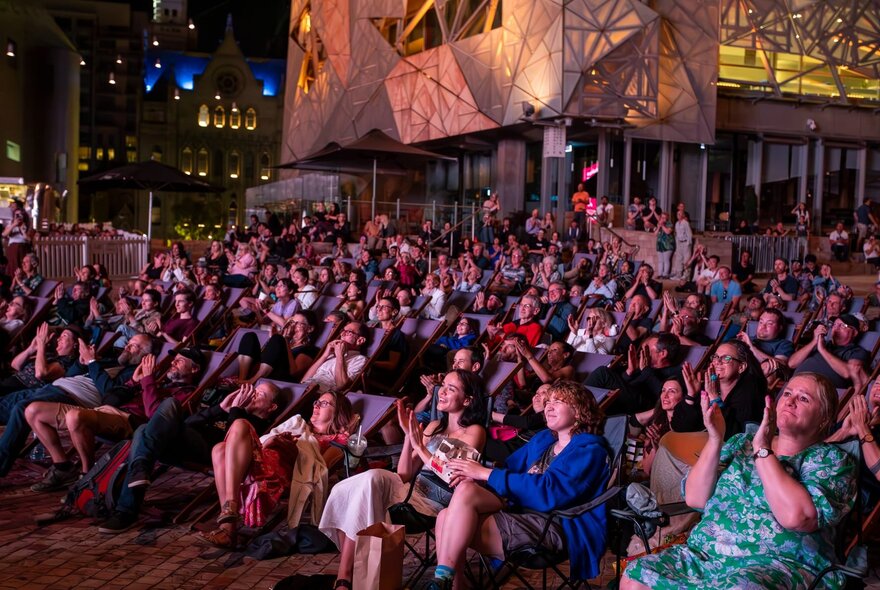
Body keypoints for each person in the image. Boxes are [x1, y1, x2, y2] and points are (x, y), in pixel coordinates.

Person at [622, 373, 856, 590]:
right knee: (636, 576)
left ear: (824, 416)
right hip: (706, 554)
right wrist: (715, 438)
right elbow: (695, 498)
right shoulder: (740, 443)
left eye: (803, 398)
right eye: (787, 393)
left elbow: (797, 518)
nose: (790, 401)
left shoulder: (831, 461)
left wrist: (762, 451)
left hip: (776, 565)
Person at [423, 381, 610, 590]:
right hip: (520, 513)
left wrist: (486, 473)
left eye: (558, 402)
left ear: (579, 412)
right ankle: (451, 582)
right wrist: (475, 477)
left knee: (450, 525)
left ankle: (446, 581)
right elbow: (509, 468)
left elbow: (549, 491)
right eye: (549, 401)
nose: (548, 406)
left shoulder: (590, 451)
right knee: (446, 514)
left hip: (553, 526)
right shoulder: (543, 440)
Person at [319, 370, 487, 590]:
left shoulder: (474, 432)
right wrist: (408, 436)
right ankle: (345, 576)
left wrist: (420, 446)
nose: (442, 392)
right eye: (443, 386)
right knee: (350, 488)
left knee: (368, 481)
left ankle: (345, 578)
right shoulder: (434, 426)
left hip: (435, 503)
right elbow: (404, 474)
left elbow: (452, 475)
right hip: (408, 490)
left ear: (467, 400)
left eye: (451, 389)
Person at [97, 381, 290, 533]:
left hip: (213, 455)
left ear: (271, 407)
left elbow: (232, 440)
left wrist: (235, 410)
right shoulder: (232, 411)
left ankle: (128, 505)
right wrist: (220, 408)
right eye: (253, 390)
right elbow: (189, 424)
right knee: (146, 428)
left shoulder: (256, 425)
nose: (252, 395)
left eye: (259, 394)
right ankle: (133, 489)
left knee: (149, 426)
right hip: (187, 445)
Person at [26, 348, 204, 491]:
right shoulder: (160, 384)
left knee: (75, 417)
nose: (172, 363)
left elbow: (155, 417)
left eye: (179, 361)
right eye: (173, 359)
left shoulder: (186, 394)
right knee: (33, 411)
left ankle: (88, 475)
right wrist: (134, 382)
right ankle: (63, 467)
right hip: (105, 410)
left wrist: (148, 381)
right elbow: (110, 399)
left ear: (194, 369)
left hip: (129, 421)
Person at [199, 391, 355, 548]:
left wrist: (295, 448)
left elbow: (320, 467)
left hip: (281, 474)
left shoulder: (338, 440)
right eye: (317, 401)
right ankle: (228, 526)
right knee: (219, 448)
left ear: (338, 412)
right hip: (260, 462)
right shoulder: (298, 425)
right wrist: (274, 441)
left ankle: (228, 517)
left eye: (324, 403)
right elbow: (265, 445)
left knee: (239, 424)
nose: (316, 405)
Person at [672, 341, 766, 440]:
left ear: (741, 367)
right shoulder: (707, 388)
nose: (717, 361)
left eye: (726, 358)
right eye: (716, 357)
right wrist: (691, 396)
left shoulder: (750, 396)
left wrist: (715, 398)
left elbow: (733, 439)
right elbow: (678, 427)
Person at [789, 314, 869, 390]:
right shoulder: (820, 343)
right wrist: (815, 341)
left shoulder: (856, 351)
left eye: (842, 325)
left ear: (854, 332)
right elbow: (792, 363)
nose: (836, 328)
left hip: (818, 391)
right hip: (794, 384)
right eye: (834, 325)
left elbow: (848, 373)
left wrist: (822, 350)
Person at [301, 321, 369, 393]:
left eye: (348, 332)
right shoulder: (332, 355)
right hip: (304, 388)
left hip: (320, 394)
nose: (342, 334)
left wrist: (340, 355)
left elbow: (341, 386)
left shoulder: (360, 359)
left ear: (360, 340)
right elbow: (304, 380)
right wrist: (325, 355)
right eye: (343, 331)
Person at [737, 308, 794, 379]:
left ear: (780, 328)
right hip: (735, 370)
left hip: (756, 376)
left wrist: (751, 347)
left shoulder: (784, 344)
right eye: (761, 322)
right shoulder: (747, 339)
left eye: (769, 324)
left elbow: (780, 365)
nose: (763, 326)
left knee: (771, 370)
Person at [671, 210, 692, 280]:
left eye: (680, 214)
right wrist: (677, 245)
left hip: (686, 243)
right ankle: (678, 275)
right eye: (677, 214)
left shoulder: (685, 223)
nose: (678, 215)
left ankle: (686, 275)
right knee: (678, 259)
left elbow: (689, 233)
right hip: (679, 243)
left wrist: (688, 244)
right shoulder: (677, 223)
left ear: (683, 215)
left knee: (686, 259)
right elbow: (676, 235)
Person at [655, 212, 674, 279]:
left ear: (667, 218)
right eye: (662, 217)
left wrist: (662, 225)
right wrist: (658, 227)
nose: (663, 219)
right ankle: (660, 274)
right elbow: (655, 234)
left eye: (664, 218)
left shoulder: (669, 224)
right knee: (660, 260)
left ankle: (665, 274)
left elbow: (668, 232)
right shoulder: (658, 224)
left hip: (667, 245)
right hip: (659, 245)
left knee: (666, 260)